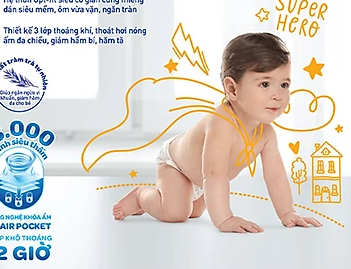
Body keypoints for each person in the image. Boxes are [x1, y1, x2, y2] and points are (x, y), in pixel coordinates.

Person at [112, 32, 322, 232]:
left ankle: (172, 197)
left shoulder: (266, 134)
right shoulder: (221, 123)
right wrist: (225, 219)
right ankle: (141, 196)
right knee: (176, 212)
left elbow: (275, 176)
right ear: (232, 89)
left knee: (194, 211)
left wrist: (287, 212)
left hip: (203, 176)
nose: (278, 95)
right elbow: (214, 175)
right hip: (177, 165)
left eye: (284, 84)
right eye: (265, 84)